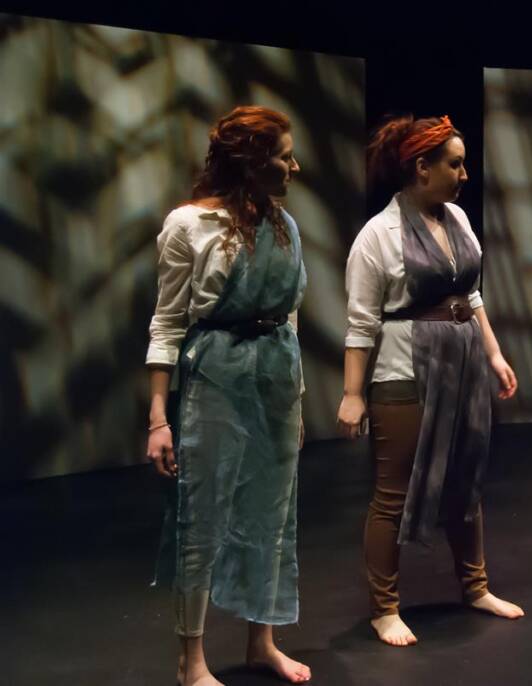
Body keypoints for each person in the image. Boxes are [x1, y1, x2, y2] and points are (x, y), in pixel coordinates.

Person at [338, 114, 524, 647]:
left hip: (461, 363)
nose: (464, 174)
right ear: (422, 168)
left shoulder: (458, 220)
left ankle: (476, 587)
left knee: (466, 478)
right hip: (404, 368)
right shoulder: (380, 234)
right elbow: (360, 321)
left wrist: (493, 352)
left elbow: (472, 294)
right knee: (392, 493)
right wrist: (354, 394)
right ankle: (384, 607)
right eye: (455, 164)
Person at [145, 106, 311, 685]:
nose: (295, 165)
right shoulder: (188, 225)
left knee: (272, 511)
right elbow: (167, 323)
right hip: (216, 376)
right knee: (205, 513)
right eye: (285, 155)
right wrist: (158, 418)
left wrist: (299, 397)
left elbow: (288, 312)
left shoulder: (285, 225)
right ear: (251, 162)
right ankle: (191, 662)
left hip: (276, 378)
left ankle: (261, 642)